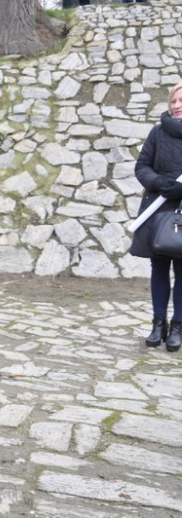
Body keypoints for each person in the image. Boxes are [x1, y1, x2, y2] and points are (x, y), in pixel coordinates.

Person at [129, 83, 182, 353]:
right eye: (173, 100)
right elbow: (141, 166)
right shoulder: (158, 132)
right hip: (158, 208)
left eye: (181, 100)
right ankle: (158, 324)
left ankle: (177, 327)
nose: (176, 105)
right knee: (159, 268)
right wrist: (160, 182)